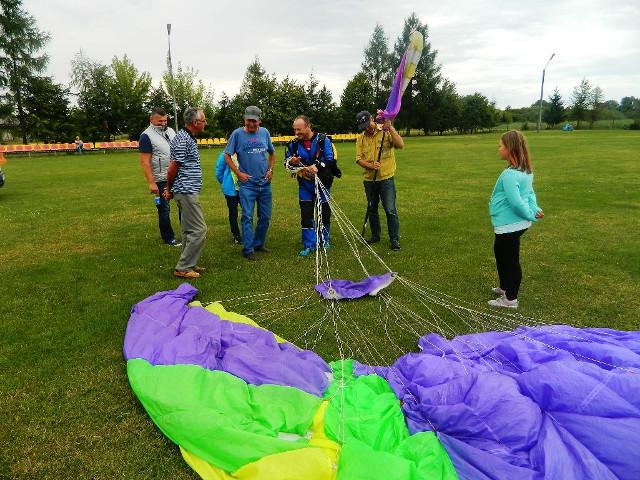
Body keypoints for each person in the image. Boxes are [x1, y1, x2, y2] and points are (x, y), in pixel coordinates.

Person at [488, 130, 544, 309]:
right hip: (513, 224)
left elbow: (517, 202)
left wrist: (531, 213)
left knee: (510, 260)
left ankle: (510, 299)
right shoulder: (524, 171)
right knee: (501, 254)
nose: (498, 149)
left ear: (510, 149)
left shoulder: (510, 175)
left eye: (500, 146)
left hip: (510, 224)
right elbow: (530, 194)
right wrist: (535, 209)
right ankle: (505, 287)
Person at [223, 106, 275, 261]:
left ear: (259, 121)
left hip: (264, 183)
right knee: (247, 216)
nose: (251, 124)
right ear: (244, 119)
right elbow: (227, 155)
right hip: (247, 185)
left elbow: (272, 153)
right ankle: (248, 249)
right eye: (249, 120)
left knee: (265, 216)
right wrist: (239, 173)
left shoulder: (264, 133)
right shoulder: (237, 134)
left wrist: (270, 170)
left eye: (254, 121)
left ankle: (258, 244)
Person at [163, 107, 208, 278]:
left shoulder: (186, 137)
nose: (205, 123)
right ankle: (183, 267)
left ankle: (190, 263)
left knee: (189, 231)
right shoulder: (183, 139)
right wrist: (168, 189)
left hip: (187, 190)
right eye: (203, 120)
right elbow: (172, 168)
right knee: (199, 230)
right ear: (195, 123)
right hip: (186, 191)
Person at [284, 115, 337, 257]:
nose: (296, 133)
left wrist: (317, 166)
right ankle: (309, 244)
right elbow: (286, 164)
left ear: (308, 126)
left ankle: (324, 240)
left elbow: (331, 160)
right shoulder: (293, 144)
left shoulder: (323, 140)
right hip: (305, 186)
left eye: (299, 129)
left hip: (322, 184)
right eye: (295, 130)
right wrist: (292, 162)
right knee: (306, 214)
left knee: (324, 213)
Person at [355, 110, 404, 250]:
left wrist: (391, 128)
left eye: (368, 124)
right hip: (369, 180)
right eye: (364, 127)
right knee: (372, 209)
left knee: (390, 209)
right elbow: (358, 159)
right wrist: (370, 166)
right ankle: (375, 236)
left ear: (372, 118)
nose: (367, 128)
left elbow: (400, 145)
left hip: (386, 178)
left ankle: (394, 239)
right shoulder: (360, 138)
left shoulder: (385, 131)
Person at [139, 107, 180, 247]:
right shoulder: (146, 136)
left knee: (184, 205)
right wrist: (151, 182)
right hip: (161, 178)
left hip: (177, 175)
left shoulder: (171, 131)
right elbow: (144, 161)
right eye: (160, 121)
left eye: (165, 120)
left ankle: (188, 233)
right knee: (164, 209)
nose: (163, 123)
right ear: (151, 120)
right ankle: (168, 238)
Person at [215, 151, 242, 244]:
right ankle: (236, 235)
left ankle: (247, 233)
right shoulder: (224, 155)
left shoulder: (242, 153)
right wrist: (226, 182)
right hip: (230, 190)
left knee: (247, 211)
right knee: (233, 213)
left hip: (244, 188)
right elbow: (219, 172)